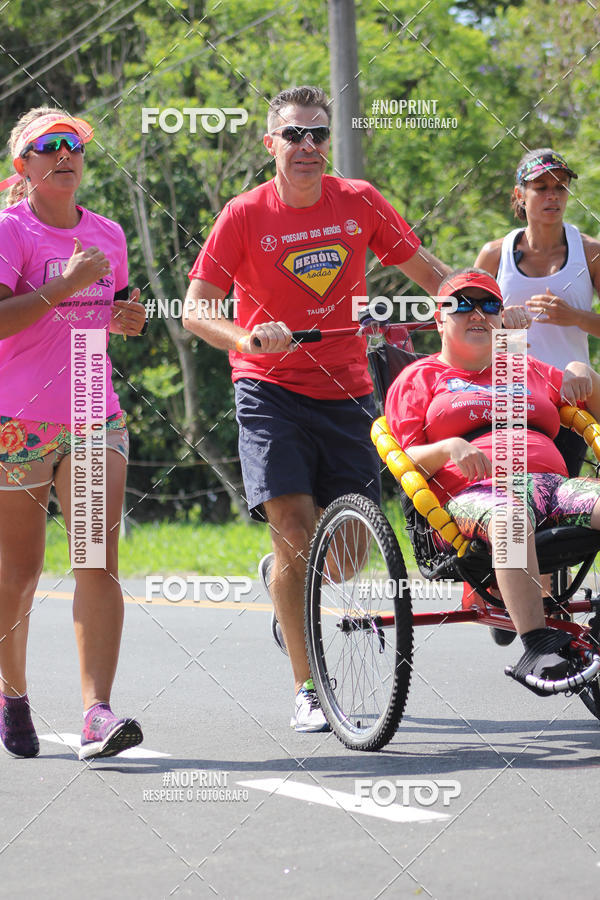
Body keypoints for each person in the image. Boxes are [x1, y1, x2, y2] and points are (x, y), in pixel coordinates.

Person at [183, 85, 451, 732]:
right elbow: (196, 309)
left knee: (349, 552)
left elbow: (429, 271)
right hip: (268, 389)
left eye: (318, 135)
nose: (307, 147)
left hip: (348, 390)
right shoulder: (244, 214)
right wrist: (245, 336)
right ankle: (308, 686)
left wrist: (478, 305)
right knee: (296, 528)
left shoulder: (357, 202)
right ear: (269, 144)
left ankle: (282, 579)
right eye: (294, 135)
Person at [0, 107, 147, 759]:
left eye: (76, 143)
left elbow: (103, 316)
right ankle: (13, 693)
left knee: (96, 560)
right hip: (17, 419)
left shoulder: (108, 234)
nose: (66, 152)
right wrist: (67, 284)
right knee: (19, 571)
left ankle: (96, 714)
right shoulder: (10, 230)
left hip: (95, 410)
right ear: (23, 165)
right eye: (48, 144)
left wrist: (125, 318)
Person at [385, 267, 600, 695]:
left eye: (489, 304)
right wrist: (449, 448)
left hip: (551, 485)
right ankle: (537, 647)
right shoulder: (419, 378)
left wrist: (581, 368)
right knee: (510, 517)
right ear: (438, 318)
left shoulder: (525, 367)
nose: (477, 313)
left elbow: (587, 396)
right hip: (475, 496)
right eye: (461, 304)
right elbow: (403, 457)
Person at [475, 148, 600, 477]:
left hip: (570, 401)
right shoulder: (493, 255)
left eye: (560, 187)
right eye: (541, 187)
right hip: (506, 397)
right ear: (520, 194)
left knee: (559, 499)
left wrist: (574, 316)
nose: (553, 196)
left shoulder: (590, 253)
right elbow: (462, 326)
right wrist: (499, 324)